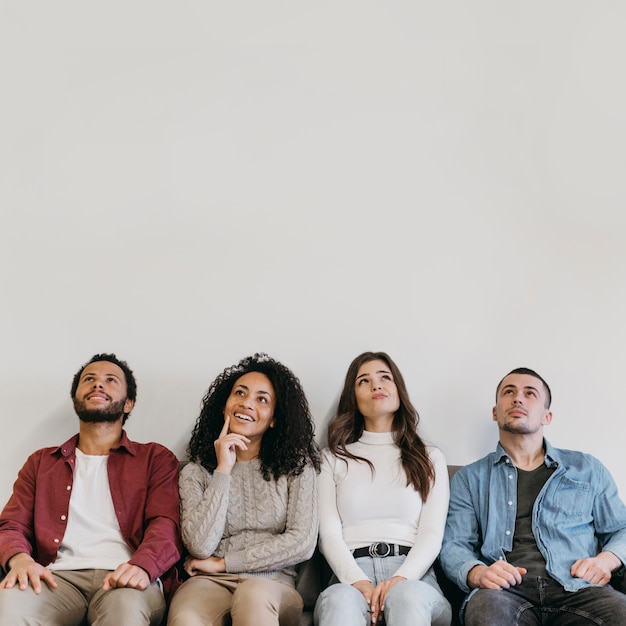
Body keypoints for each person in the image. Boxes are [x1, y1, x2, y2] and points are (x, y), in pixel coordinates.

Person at [0, 353, 182, 626]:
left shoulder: (155, 458)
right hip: (56, 577)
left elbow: (166, 524)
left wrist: (143, 566)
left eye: (110, 380)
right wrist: (19, 559)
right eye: (89, 379)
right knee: (13, 602)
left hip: (127, 575)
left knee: (125, 613)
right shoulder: (41, 462)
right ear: (76, 399)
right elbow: (12, 524)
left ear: (128, 403)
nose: (98, 385)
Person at [440, 367, 626, 625]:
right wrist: (476, 572)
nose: (518, 398)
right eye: (509, 392)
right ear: (495, 412)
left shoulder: (587, 468)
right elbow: (454, 545)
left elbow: (622, 528)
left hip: (579, 590)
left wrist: (607, 560)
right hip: (504, 593)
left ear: (546, 416)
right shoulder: (469, 479)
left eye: (530, 393)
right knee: (484, 609)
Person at [167, 352, 320, 626]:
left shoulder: (297, 467)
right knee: (186, 618)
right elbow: (200, 546)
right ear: (225, 406)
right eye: (240, 393)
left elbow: (302, 542)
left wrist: (225, 563)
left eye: (262, 399)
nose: (247, 403)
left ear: (273, 418)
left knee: (252, 595)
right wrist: (223, 470)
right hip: (210, 583)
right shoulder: (196, 472)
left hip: (274, 585)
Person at [314, 351, 452, 626]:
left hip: (416, 577)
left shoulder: (429, 457)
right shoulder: (332, 458)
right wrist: (357, 580)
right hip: (349, 575)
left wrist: (401, 579)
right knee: (340, 601)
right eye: (363, 381)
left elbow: (431, 532)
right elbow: (328, 533)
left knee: (406, 596)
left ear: (398, 390)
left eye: (384, 378)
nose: (376, 385)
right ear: (353, 398)